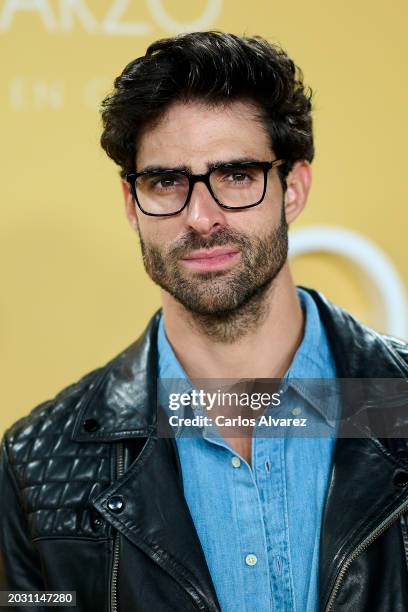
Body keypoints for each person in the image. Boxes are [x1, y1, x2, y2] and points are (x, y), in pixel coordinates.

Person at [1, 30, 408, 612]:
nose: (201, 216)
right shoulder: (38, 464)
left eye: (236, 175)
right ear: (130, 204)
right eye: (166, 182)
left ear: (292, 188)